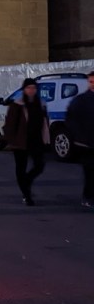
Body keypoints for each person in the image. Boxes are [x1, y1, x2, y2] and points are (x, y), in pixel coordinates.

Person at [2, 77, 49, 206]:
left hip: (36, 140)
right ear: (24, 90)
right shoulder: (17, 105)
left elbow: (45, 122)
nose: (31, 90)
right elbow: (10, 124)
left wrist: (46, 138)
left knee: (39, 166)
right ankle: (26, 195)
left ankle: (26, 181)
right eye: (28, 88)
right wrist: (10, 140)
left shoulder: (41, 103)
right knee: (21, 168)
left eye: (33, 88)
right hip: (20, 142)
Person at [65, 71, 94, 209]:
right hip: (86, 144)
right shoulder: (81, 100)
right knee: (90, 172)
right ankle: (88, 197)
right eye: (92, 81)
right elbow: (71, 120)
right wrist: (79, 137)